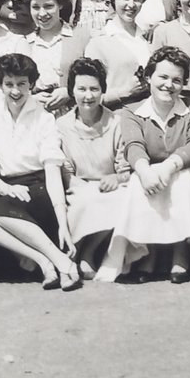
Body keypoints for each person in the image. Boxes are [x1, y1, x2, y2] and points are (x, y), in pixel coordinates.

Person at [96, 47, 190, 283]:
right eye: (163, 77)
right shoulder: (131, 111)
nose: (169, 85)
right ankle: (147, 252)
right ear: (149, 78)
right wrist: (144, 171)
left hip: (183, 169)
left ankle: (180, 253)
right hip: (149, 173)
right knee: (137, 183)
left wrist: (169, 166)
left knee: (185, 181)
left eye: (177, 80)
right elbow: (133, 146)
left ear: (184, 83)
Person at [0, 53, 81, 290]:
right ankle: (48, 261)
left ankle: (55, 260)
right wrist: (4, 186)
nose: (15, 91)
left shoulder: (44, 118)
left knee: (2, 209)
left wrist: (63, 224)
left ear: (31, 85)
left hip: (40, 188)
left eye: (21, 84)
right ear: (0, 85)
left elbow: (52, 174)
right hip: (7, 187)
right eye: (9, 84)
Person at [56, 57, 130, 278]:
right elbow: (65, 171)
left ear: (102, 91)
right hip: (78, 187)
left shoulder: (116, 123)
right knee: (87, 199)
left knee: (123, 200)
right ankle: (79, 252)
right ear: (72, 91)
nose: (88, 96)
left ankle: (90, 251)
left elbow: (124, 168)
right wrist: (83, 186)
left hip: (111, 186)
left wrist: (116, 178)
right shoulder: (61, 126)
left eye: (94, 89)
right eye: (81, 89)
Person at [85, 0, 153, 107]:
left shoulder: (147, 39)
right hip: (116, 118)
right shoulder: (99, 42)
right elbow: (89, 97)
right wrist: (124, 92)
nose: (131, 4)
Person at [24, 0, 86, 116]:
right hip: (36, 116)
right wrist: (31, 99)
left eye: (49, 6)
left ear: (60, 5)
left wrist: (69, 91)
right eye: (35, 7)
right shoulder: (25, 43)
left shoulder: (80, 36)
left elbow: (94, 79)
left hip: (73, 114)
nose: (42, 13)